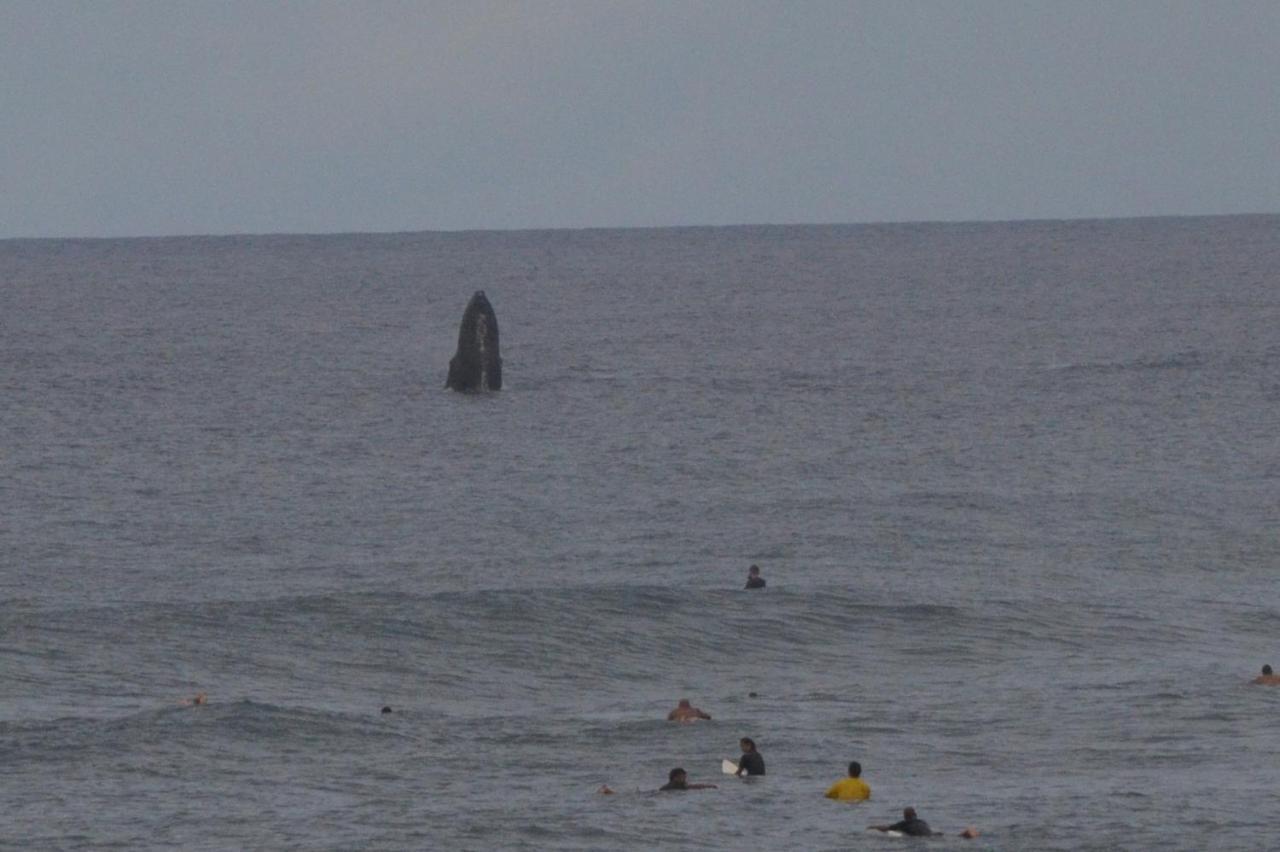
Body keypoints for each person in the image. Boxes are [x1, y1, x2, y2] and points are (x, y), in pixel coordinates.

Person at [869, 807, 935, 837]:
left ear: (904, 816)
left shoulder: (903, 824)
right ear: (915, 814)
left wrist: (874, 827)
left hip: (917, 837)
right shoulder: (922, 822)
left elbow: (886, 828)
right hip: (930, 835)